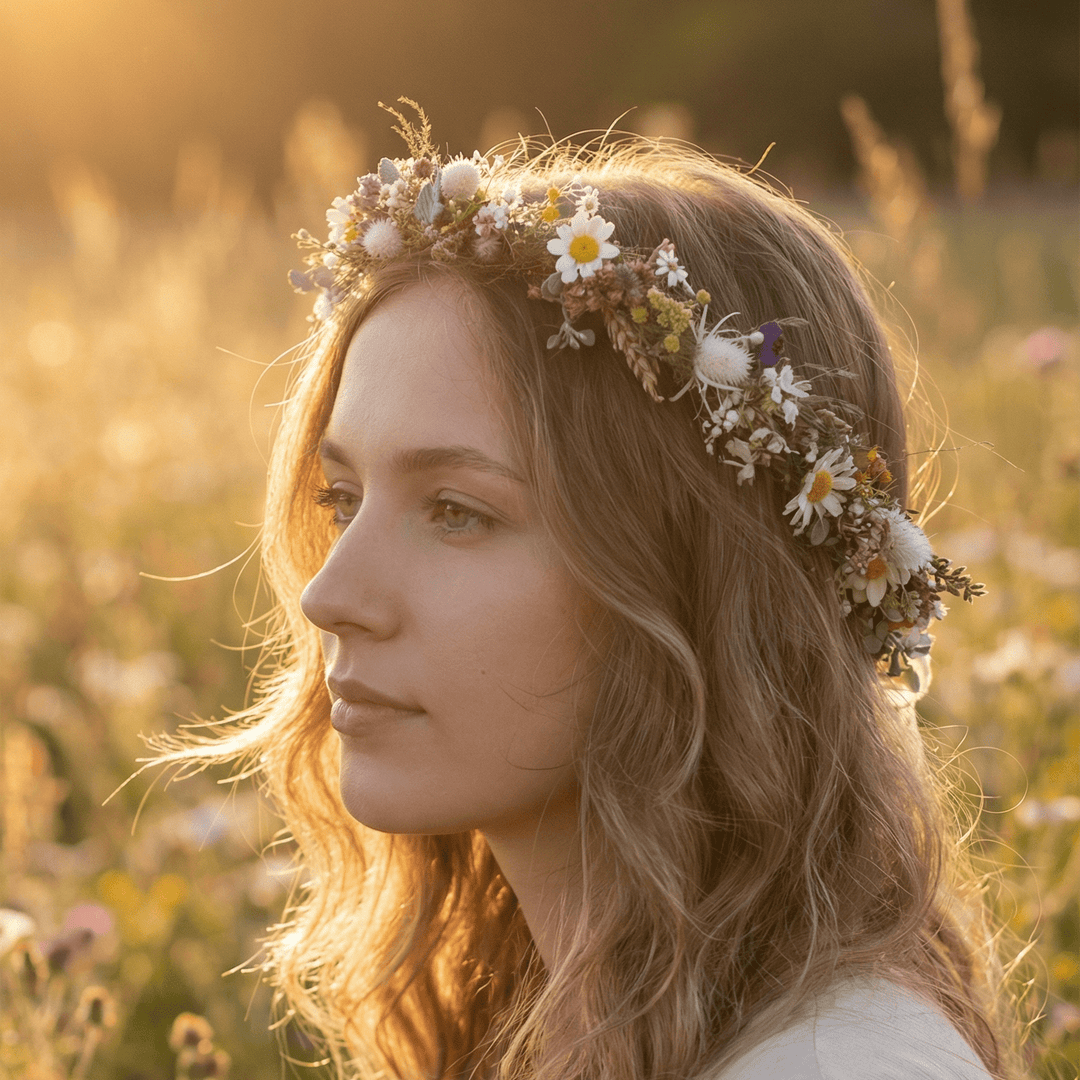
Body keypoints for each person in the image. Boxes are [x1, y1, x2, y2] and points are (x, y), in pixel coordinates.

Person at [157, 102, 1026, 1079]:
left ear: (693, 567)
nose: (331, 595)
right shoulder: (549, 1022)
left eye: (456, 510)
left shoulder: (836, 1066)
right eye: (341, 495)